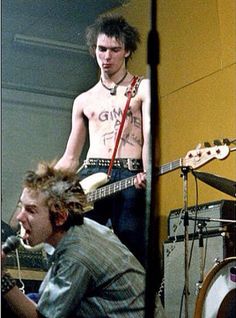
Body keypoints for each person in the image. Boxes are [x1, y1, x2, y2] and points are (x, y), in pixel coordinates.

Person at [1, 161, 166, 318]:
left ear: (60, 217)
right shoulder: (78, 229)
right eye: (21, 207)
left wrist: (3, 278)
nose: (19, 217)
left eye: (31, 210)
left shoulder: (76, 256)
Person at [55, 14, 150, 267]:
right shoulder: (84, 100)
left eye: (115, 50)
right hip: (91, 172)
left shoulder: (142, 88)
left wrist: (147, 172)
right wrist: (47, 187)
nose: (107, 57)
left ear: (127, 51)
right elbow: (71, 156)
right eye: (102, 49)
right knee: (82, 247)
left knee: (132, 250)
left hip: (129, 174)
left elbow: (150, 137)